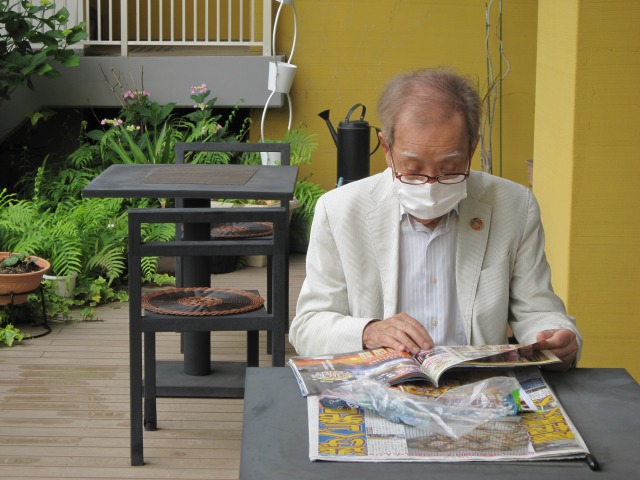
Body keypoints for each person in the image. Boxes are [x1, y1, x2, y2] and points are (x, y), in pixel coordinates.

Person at [289, 67, 581, 369]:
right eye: (413, 169)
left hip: (479, 386)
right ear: (387, 149)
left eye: (449, 169)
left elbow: (537, 309)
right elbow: (308, 327)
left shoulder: (513, 206)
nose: (430, 185)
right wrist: (369, 331)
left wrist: (557, 337)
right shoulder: (340, 210)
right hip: (381, 384)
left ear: (471, 149)